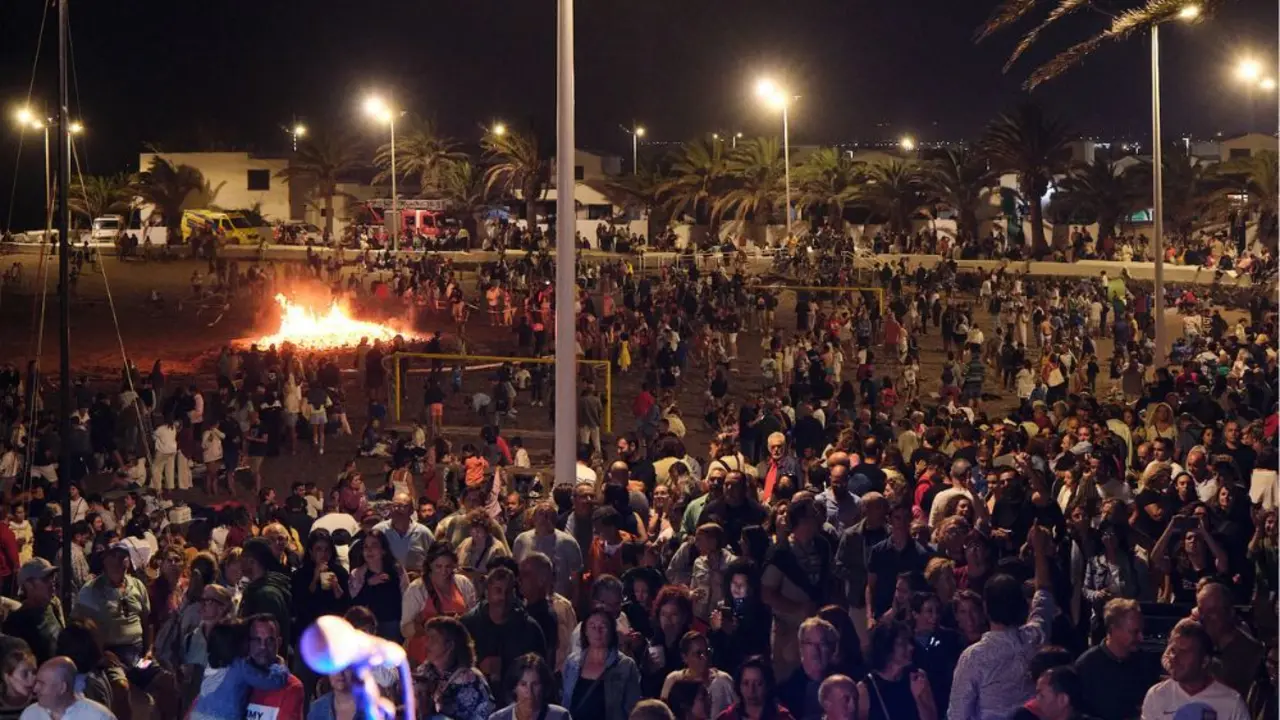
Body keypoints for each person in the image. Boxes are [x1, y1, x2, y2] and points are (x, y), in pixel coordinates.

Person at [948, 524, 1055, 720]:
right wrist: (1039, 549)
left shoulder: (974, 657)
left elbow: (957, 715)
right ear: (1022, 607)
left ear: (986, 609)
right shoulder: (1035, 637)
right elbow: (1044, 592)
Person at [461, 565, 547, 695]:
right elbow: (455, 667)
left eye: (508, 592)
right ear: (487, 592)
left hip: (516, 699)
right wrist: (478, 668)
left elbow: (542, 672)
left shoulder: (529, 628)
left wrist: (508, 667)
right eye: (498, 590)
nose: (503, 598)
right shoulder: (467, 625)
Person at [1140, 619, 1249, 720]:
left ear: (1204, 661)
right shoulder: (1156, 696)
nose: (1174, 658)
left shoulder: (1232, 703)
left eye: (1184, 652)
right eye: (1173, 651)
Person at [1074, 599, 1160, 720]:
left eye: (1141, 631)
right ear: (1113, 629)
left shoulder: (1146, 663)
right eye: (1134, 632)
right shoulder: (1086, 666)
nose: (1141, 638)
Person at [188, 620, 289, 720]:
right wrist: (280, 665)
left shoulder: (211, 664)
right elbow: (273, 681)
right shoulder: (240, 667)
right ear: (239, 644)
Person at [562, 607, 642, 720]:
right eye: (592, 626)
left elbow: (632, 709)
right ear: (585, 631)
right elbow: (565, 702)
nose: (597, 631)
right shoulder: (572, 663)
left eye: (603, 626)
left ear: (611, 631)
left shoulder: (625, 666)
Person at [416, 616, 496, 720]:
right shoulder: (424, 671)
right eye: (427, 638)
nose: (427, 644)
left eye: (433, 639)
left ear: (450, 645)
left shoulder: (472, 680)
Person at [1194, 582, 1264, 698]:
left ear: (1230, 613)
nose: (1204, 617)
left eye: (1212, 611)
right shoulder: (1199, 644)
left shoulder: (1251, 653)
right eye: (1201, 611)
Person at [857, 621, 936, 720]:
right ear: (887, 648)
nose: (911, 647)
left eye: (909, 642)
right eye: (902, 643)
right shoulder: (866, 689)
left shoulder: (917, 678)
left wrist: (919, 698)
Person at [511, 501, 584, 601]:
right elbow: (516, 572)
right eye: (541, 514)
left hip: (558, 601)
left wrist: (573, 605)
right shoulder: (522, 540)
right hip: (527, 602)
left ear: (555, 519)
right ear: (533, 518)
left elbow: (576, 581)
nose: (544, 519)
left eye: (549, 515)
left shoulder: (568, 543)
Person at [778, 617, 842, 720]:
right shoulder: (785, 692)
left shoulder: (844, 686)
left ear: (833, 648)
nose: (815, 650)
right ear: (801, 647)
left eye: (822, 644)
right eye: (809, 643)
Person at [349, 529, 408, 641]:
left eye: (374, 546)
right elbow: (354, 606)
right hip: (366, 627)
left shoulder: (396, 570)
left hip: (393, 625)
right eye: (366, 547)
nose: (369, 550)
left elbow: (406, 597)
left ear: (383, 550)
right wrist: (368, 584)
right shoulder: (357, 574)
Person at [661, 631, 736, 718]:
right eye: (698, 653)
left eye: (707, 652)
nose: (705, 658)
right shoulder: (673, 680)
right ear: (684, 657)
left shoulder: (723, 680)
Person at [243, 614, 304, 720]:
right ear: (248, 642)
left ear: (279, 643)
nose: (263, 646)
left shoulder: (292, 687)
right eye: (257, 640)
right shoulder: (236, 677)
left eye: (270, 640)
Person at [3, 559, 63, 665]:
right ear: (28, 585)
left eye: (52, 577)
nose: (52, 582)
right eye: (45, 579)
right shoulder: (16, 623)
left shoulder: (52, 606)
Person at [19, 656, 114, 720]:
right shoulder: (30, 714)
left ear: (62, 688)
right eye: (37, 682)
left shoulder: (98, 716)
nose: (35, 689)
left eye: (42, 684)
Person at [237, 538, 293, 645]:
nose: (240, 562)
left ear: (251, 561)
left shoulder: (267, 596)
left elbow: (268, 636)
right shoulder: (256, 590)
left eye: (242, 558)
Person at [488, 653, 571, 720]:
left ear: (543, 686)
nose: (529, 691)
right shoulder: (497, 718)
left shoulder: (560, 716)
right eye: (523, 684)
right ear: (514, 688)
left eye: (535, 684)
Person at [715, 656, 795, 720]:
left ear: (768, 685)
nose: (751, 690)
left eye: (758, 684)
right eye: (746, 683)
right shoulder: (727, 717)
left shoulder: (782, 717)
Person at [0, 639, 36, 720]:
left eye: (34, 672)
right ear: (7, 677)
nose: (32, 678)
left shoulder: (40, 698)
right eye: (24, 674)